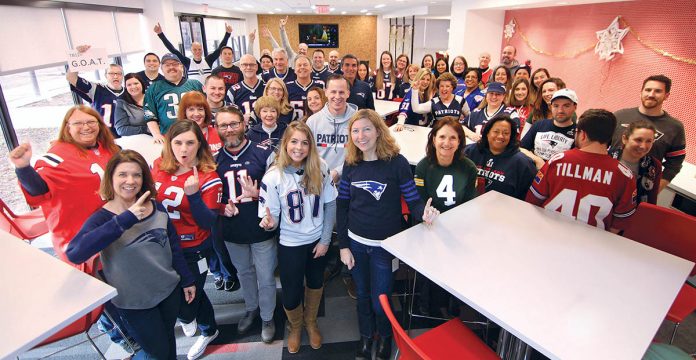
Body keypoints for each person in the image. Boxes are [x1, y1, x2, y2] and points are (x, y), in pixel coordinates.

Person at [66, 150, 195, 360]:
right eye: (123, 174)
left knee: (168, 345)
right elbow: (75, 253)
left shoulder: (157, 207)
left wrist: (187, 279)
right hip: (133, 301)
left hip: (167, 291)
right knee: (157, 352)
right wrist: (125, 219)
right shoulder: (102, 218)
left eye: (137, 175)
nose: (130, 181)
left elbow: (172, 246)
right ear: (111, 178)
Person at [337, 109, 439, 360]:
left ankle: (384, 336)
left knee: (380, 300)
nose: (361, 136)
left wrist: (423, 213)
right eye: (356, 131)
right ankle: (365, 336)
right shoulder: (351, 163)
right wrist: (343, 246)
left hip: (386, 247)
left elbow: (413, 200)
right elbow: (342, 205)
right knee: (361, 296)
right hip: (356, 244)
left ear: (379, 131)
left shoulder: (397, 163)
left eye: (366, 129)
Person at [258, 121, 337, 354]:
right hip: (290, 243)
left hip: (317, 241)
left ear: (310, 146)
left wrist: (325, 240)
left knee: (315, 283)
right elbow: (269, 218)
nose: (299, 147)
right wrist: (268, 223)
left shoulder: (320, 166)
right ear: (285, 144)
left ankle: (310, 322)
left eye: (304, 142)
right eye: (294, 141)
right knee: (291, 290)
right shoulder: (273, 176)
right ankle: (295, 326)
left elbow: (330, 204)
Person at [10, 105, 119, 265]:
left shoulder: (108, 148)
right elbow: (39, 190)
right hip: (80, 236)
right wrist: (23, 168)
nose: (86, 127)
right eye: (78, 123)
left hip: (113, 227)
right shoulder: (58, 155)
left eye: (91, 122)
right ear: (67, 127)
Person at [152, 120, 222, 360]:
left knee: (187, 301)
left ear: (199, 144)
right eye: (178, 142)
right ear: (169, 144)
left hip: (194, 249)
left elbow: (208, 222)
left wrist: (193, 197)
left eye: (190, 142)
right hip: (161, 247)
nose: (184, 149)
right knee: (178, 291)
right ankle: (207, 327)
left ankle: (195, 321)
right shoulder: (158, 166)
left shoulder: (208, 176)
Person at [215, 106, 278, 343]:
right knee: (244, 273)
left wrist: (259, 190)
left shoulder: (263, 153)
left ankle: (268, 316)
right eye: (224, 125)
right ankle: (252, 308)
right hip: (232, 230)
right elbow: (210, 199)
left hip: (261, 227)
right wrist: (222, 208)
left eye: (233, 124)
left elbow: (279, 189)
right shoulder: (212, 160)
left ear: (244, 124)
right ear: (217, 129)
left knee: (266, 276)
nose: (229, 129)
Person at [526, 109, 637, 233]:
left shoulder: (557, 161)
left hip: (548, 234)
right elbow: (619, 224)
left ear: (582, 135)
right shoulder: (624, 175)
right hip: (591, 245)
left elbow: (533, 201)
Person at [414, 117, 477, 317]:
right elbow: (421, 201)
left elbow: (468, 202)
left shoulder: (468, 168)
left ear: (460, 142)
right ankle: (426, 302)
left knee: (456, 262)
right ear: (433, 139)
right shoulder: (423, 166)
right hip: (428, 226)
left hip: (456, 226)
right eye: (442, 136)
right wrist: (429, 219)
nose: (446, 143)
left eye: (453, 138)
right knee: (429, 264)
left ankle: (452, 300)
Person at [611, 75, 686, 192]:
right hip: (608, 182)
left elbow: (675, 164)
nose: (651, 94)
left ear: (666, 95)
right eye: (648, 90)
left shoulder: (675, 127)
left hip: (640, 191)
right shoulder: (619, 116)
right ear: (641, 92)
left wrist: (655, 189)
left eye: (658, 91)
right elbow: (601, 146)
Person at [464, 115, 536, 199]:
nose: (500, 136)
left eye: (506, 133)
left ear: (511, 136)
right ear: (487, 132)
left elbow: (530, 197)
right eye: (496, 131)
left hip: (505, 209)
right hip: (469, 206)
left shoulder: (523, 163)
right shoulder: (469, 152)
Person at [306, 74, 358, 184]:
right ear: (326, 92)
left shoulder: (357, 121)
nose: (337, 96)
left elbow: (361, 153)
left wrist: (338, 172)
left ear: (348, 93)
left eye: (342, 92)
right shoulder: (312, 121)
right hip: (319, 181)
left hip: (349, 183)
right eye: (333, 92)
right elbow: (307, 154)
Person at [144, 53, 204, 143]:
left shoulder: (195, 84)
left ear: (181, 66)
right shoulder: (154, 88)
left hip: (195, 134)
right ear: (162, 68)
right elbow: (150, 114)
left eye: (175, 64)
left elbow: (205, 109)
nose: (171, 67)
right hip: (168, 137)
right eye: (167, 65)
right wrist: (156, 134)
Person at [66, 45, 124, 137]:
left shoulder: (130, 91)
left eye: (118, 74)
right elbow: (71, 77)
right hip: (104, 137)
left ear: (122, 76)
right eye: (111, 73)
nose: (115, 76)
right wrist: (77, 56)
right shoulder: (96, 90)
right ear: (106, 75)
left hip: (126, 136)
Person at [154, 21, 232, 84]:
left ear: (202, 50)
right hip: (194, 93)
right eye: (195, 49)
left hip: (208, 93)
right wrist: (160, 34)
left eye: (199, 49)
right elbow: (173, 50)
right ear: (191, 51)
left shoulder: (208, 60)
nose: (197, 51)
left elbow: (219, 49)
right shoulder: (187, 62)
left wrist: (227, 34)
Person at [521, 88, 578, 169]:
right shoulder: (540, 125)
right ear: (551, 107)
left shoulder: (579, 133)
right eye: (556, 106)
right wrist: (537, 160)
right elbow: (521, 148)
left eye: (566, 106)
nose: (560, 110)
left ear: (575, 107)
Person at [609, 120, 662, 205]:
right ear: (625, 139)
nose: (643, 146)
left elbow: (651, 200)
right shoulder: (607, 157)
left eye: (649, 141)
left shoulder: (654, 166)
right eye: (638, 140)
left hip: (635, 215)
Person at [177, 92, 222, 156]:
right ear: (184, 112)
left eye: (200, 109)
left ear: (205, 112)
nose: (196, 114)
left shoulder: (218, 133)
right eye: (191, 109)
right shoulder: (177, 136)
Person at [227, 54, 264, 124]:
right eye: (245, 65)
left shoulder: (267, 87)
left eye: (252, 64)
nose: (248, 67)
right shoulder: (233, 91)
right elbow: (230, 116)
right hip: (243, 132)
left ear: (256, 67)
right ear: (240, 67)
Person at [287, 55, 325, 121]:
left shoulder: (320, 85)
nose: (302, 67)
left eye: (305, 65)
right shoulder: (287, 87)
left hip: (316, 126)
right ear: (294, 70)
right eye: (299, 65)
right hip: (295, 128)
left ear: (311, 68)